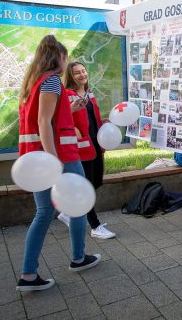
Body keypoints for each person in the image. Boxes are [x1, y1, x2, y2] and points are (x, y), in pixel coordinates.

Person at [16, 35, 101, 292]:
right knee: (78, 204)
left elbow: (47, 117)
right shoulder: (52, 80)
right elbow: (44, 122)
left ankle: (28, 274)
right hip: (60, 156)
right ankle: (78, 258)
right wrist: (53, 161)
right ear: (58, 58)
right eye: (65, 58)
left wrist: (71, 109)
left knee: (44, 213)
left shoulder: (33, 82)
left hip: (35, 157)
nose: (66, 63)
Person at [62, 61, 115, 239]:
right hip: (82, 146)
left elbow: (91, 116)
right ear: (70, 76)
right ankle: (95, 226)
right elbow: (60, 118)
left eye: (83, 71)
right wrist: (72, 127)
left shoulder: (88, 93)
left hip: (95, 142)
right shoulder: (67, 94)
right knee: (87, 186)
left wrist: (102, 122)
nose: (82, 74)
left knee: (97, 181)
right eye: (77, 72)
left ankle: (68, 212)